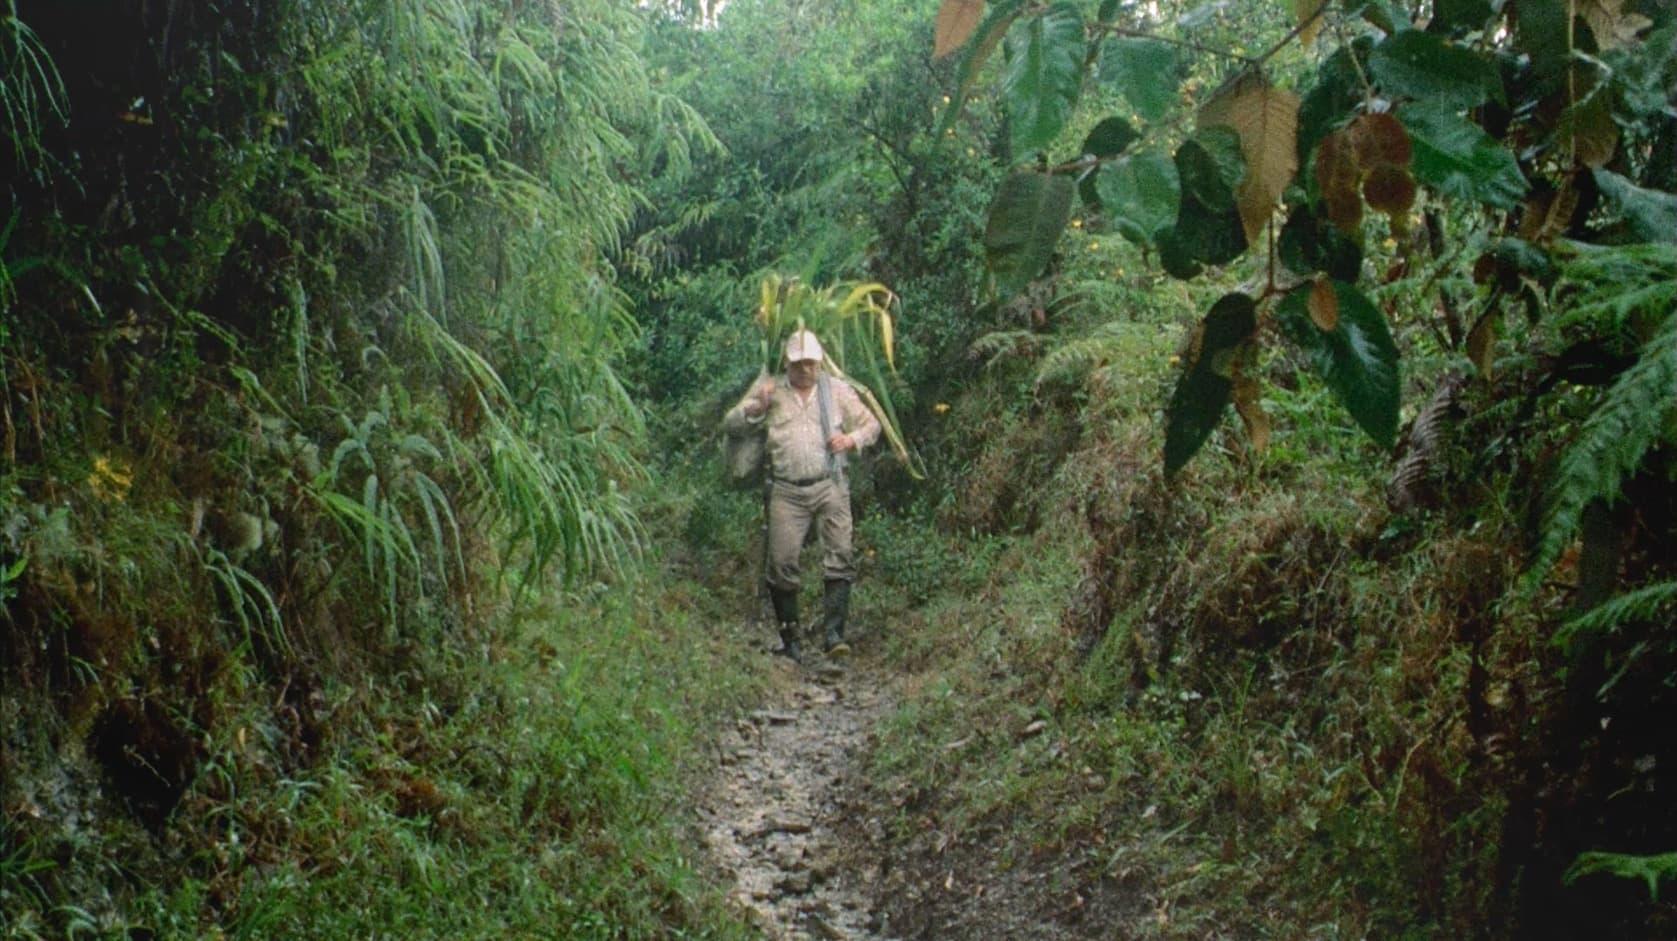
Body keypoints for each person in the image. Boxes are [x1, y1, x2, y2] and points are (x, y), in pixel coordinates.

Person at [723, 329, 881, 662]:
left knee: (840, 553)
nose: (804, 370)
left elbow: (871, 425)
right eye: (798, 364)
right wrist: (757, 407)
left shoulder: (836, 390)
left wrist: (851, 440)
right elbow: (732, 423)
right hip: (786, 489)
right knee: (781, 562)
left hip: (830, 483)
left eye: (810, 363)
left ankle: (835, 634)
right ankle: (790, 639)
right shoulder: (772, 389)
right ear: (787, 362)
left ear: (819, 362)